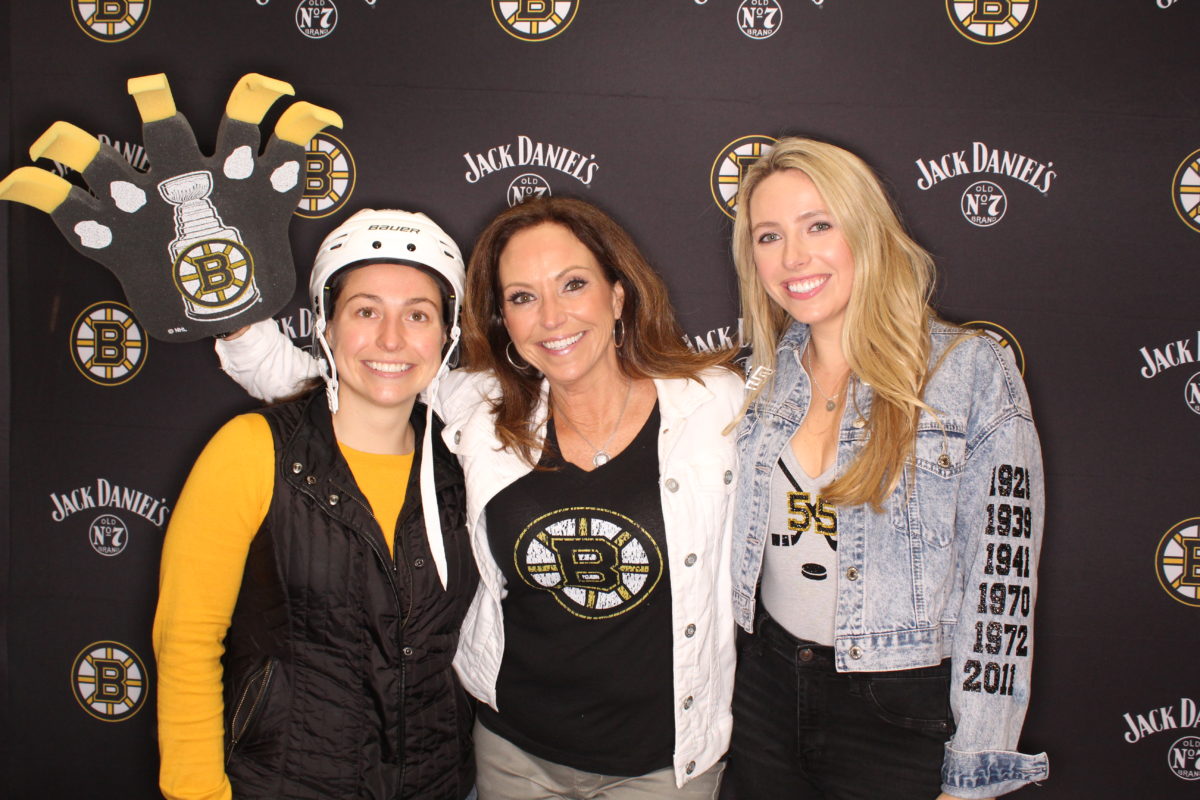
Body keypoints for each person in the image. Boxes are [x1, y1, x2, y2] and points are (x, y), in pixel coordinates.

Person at [214, 196, 742, 799]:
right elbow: (349, 378)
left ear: (617, 295)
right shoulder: (481, 408)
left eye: (573, 284)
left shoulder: (715, 406)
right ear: (504, 322)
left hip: (661, 764)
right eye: (522, 297)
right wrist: (231, 317)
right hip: (513, 755)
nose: (551, 317)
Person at [726, 137, 1048, 800]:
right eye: (769, 236)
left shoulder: (968, 371)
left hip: (899, 707)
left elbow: (1002, 581)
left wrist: (974, 769)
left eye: (819, 225)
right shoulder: (756, 377)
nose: (793, 258)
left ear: (867, 232)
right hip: (763, 688)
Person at [153, 209, 479, 800]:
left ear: (446, 338)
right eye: (366, 310)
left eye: (418, 315)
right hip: (284, 782)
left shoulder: (464, 467)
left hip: (440, 784)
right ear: (327, 328)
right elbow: (187, 641)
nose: (391, 338)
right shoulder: (252, 451)